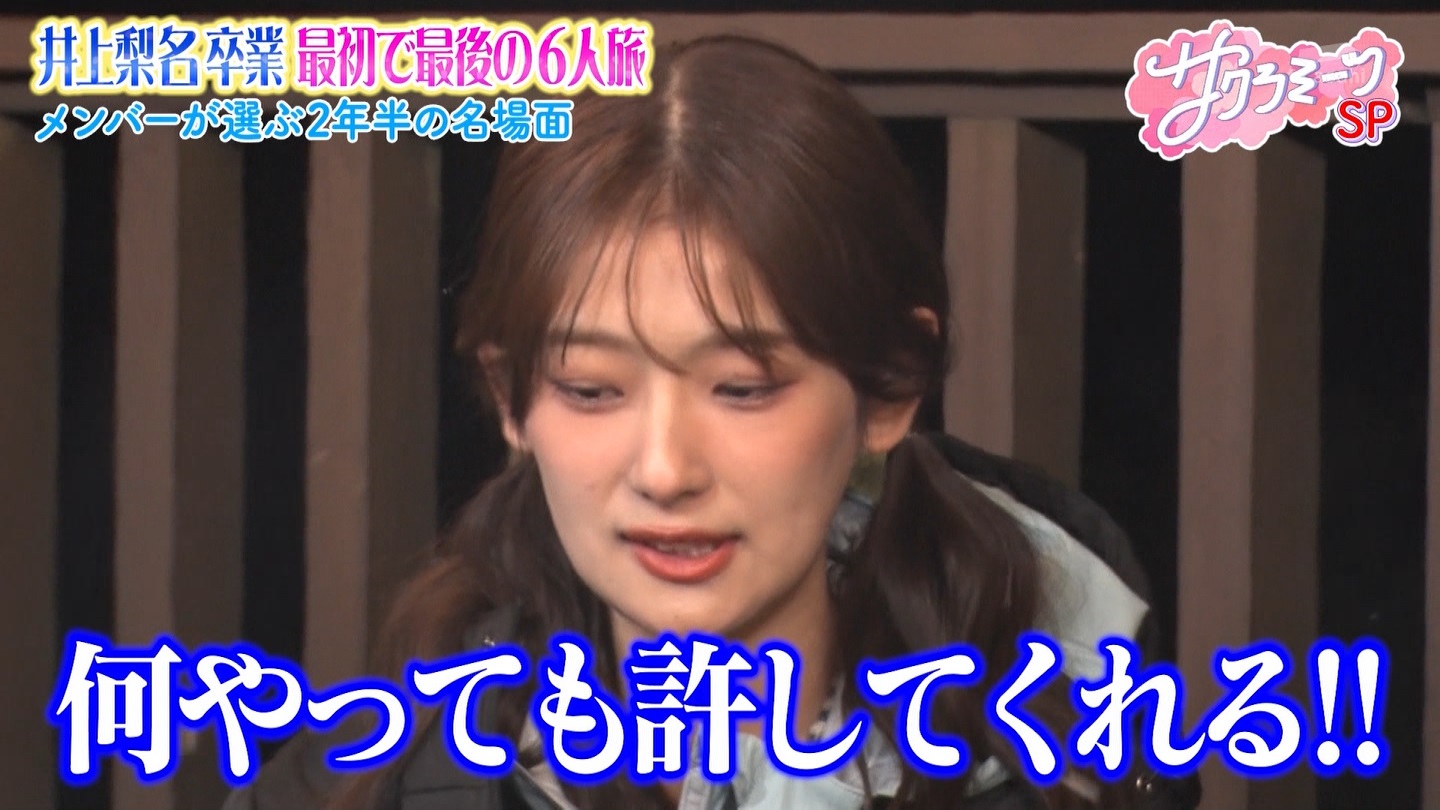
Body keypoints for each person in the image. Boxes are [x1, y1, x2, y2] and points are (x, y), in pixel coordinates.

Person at [225, 34, 1199, 810]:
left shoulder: (1079, 751)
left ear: (890, 389)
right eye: (591, 389)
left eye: (742, 387)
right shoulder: (375, 781)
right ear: (512, 399)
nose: (664, 469)